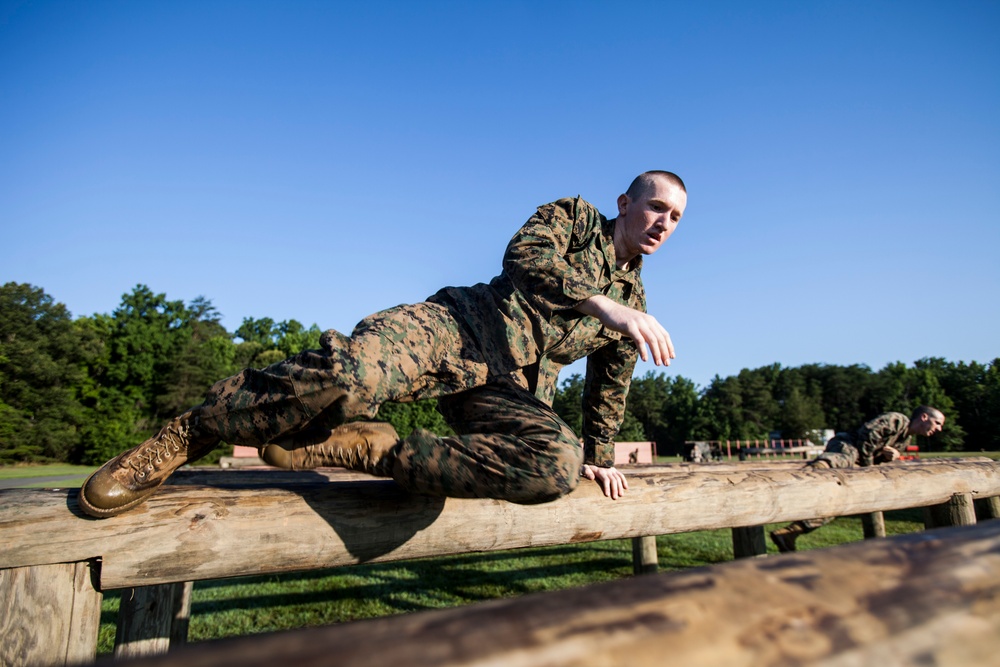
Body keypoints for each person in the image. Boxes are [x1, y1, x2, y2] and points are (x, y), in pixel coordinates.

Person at [79, 170, 688, 518]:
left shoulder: (634, 310)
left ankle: (371, 450)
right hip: (454, 329)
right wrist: (600, 304)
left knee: (555, 464)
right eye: (655, 206)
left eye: (675, 217)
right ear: (625, 203)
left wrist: (599, 456)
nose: (662, 222)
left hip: (505, 390)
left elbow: (609, 391)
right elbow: (524, 257)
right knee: (353, 375)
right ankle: (191, 432)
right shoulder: (575, 219)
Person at [769, 405, 946, 552]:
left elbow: (876, 458)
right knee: (845, 458)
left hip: (858, 466)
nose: (939, 429)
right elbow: (867, 436)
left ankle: (789, 533)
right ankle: (804, 479)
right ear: (924, 417)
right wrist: (868, 469)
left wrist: (888, 456)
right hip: (846, 447)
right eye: (937, 423)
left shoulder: (903, 441)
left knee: (840, 503)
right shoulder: (897, 420)